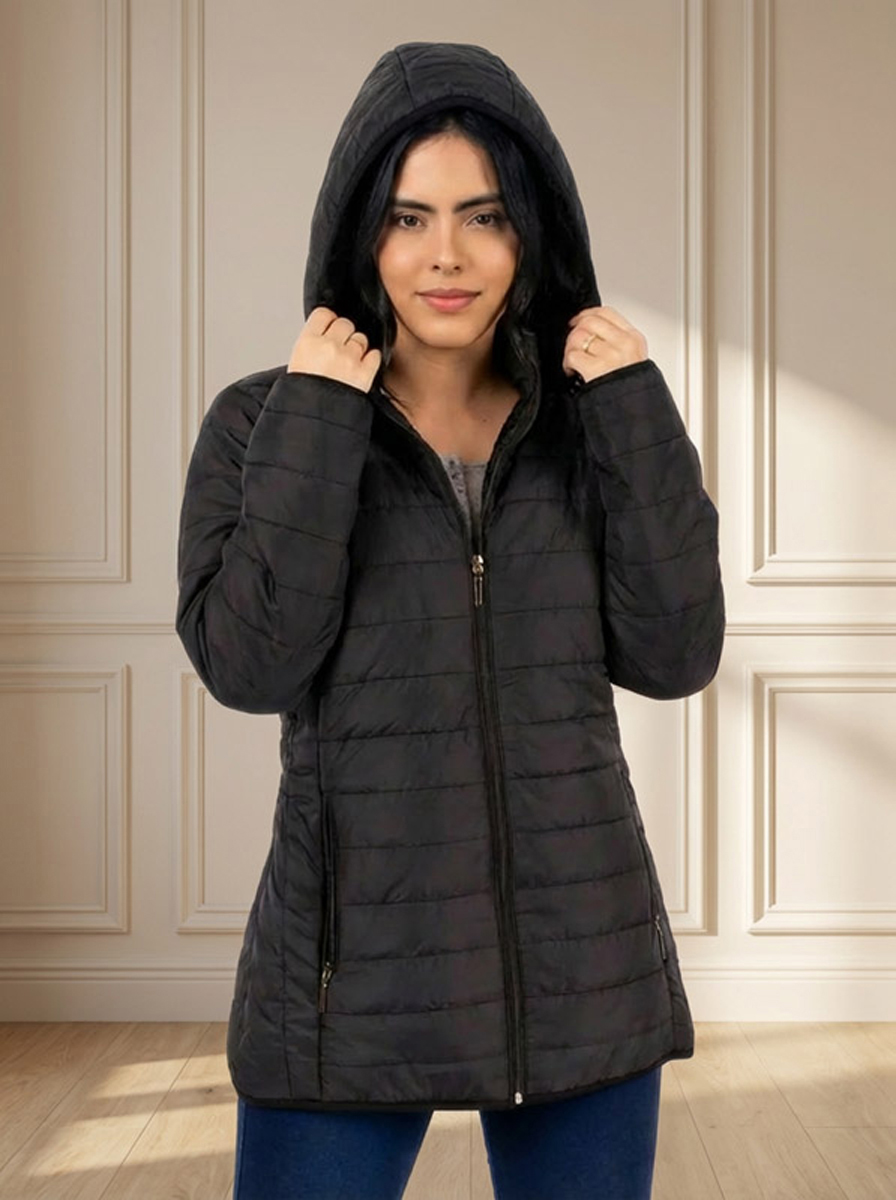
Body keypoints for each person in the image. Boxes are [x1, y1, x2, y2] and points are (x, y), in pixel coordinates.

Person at [175, 40, 725, 1200]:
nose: (445, 256)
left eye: (483, 217)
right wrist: (318, 422)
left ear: (531, 233)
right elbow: (250, 666)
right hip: (345, 988)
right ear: (359, 235)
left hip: (579, 972)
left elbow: (675, 653)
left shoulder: (590, 422)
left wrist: (633, 413)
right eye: (408, 217)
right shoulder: (262, 423)